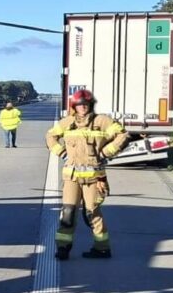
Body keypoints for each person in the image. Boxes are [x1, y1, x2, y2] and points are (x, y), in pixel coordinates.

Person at [45, 88, 127, 259]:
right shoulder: (67, 123)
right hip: (72, 178)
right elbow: (50, 137)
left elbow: (123, 135)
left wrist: (105, 153)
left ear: (90, 104)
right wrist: (62, 153)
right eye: (79, 104)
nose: (83, 107)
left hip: (95, 179)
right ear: (74, 106)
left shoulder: (102, 121)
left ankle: (102, 248)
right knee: (68, 213)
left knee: (92, 213)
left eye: (86, 104)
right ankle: (63, 248)